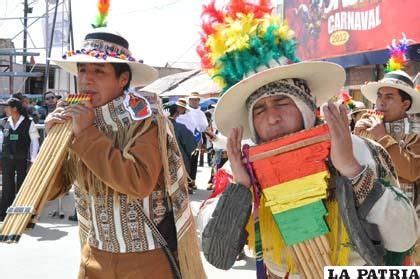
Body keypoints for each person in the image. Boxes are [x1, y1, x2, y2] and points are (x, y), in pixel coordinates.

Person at [198, 1, 418, 276]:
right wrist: (241, 189)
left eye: (282, 102)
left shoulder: (361, 150)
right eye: (260, 109)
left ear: (306, 107)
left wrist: (352, 169)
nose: (272, 117)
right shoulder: (240, 170)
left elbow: (404, 239)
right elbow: (218, 257)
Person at [45, 26, 205, 279]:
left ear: (123, 80)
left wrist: (85, 134)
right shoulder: (77, 122)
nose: (86, 79)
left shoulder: (145, 120)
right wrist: (52, 142)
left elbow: (137, 181)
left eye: (99, 71)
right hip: (94, 257)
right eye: (82, 70)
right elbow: (52, 191)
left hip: (146, 262)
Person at [355, 69, 420, 205]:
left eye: (389, 97)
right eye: (379, 96)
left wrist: (382, 136)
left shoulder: (416, 131)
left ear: (405, 104)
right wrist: (356, 137)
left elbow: (412, 172)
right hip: (370, 208)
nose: (381, 102)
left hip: (406, 212)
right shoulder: (367, 124)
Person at [0, 98, 39, 221]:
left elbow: (34, 142)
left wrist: (33, 159)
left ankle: (22, 214)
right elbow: (1, 141)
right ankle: (5, 212)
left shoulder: (29, 122)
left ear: (15, 109)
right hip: (6, 159)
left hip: (22, 159)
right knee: (7, 186)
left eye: (7, 107)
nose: (4, 109)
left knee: (22, 185)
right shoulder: (3, 122)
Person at [177, 93, 209, 192]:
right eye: (192, 100)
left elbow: (200, 128)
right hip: (179, 142)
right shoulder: (176, 116)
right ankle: (182, 183)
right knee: (180, 163)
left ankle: (191, 182)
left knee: (193, 162)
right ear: (189, 101)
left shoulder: (197, 114)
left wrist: (201, 142)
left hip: (193, 141)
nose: (194, 101)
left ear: (199, 101)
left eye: (196, 100)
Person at [168, 100, 197, 194]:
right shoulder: (180, 127)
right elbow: (191, 143)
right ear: (177, 112)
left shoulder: (158, 126)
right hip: (178, 159)